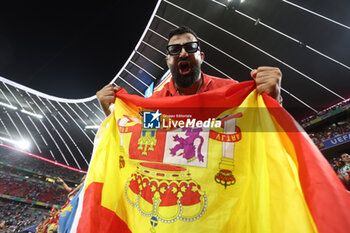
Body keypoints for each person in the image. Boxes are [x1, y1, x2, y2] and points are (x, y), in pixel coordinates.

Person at [97, 25, 282, 116]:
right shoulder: (154, 104)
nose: (184, 53)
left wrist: (273, 99)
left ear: (201, 56)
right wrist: (111, 113)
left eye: (190, 47)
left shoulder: (231, 92)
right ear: (168, 60)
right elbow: (140, 137)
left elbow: (259, 125)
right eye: (175, 50)